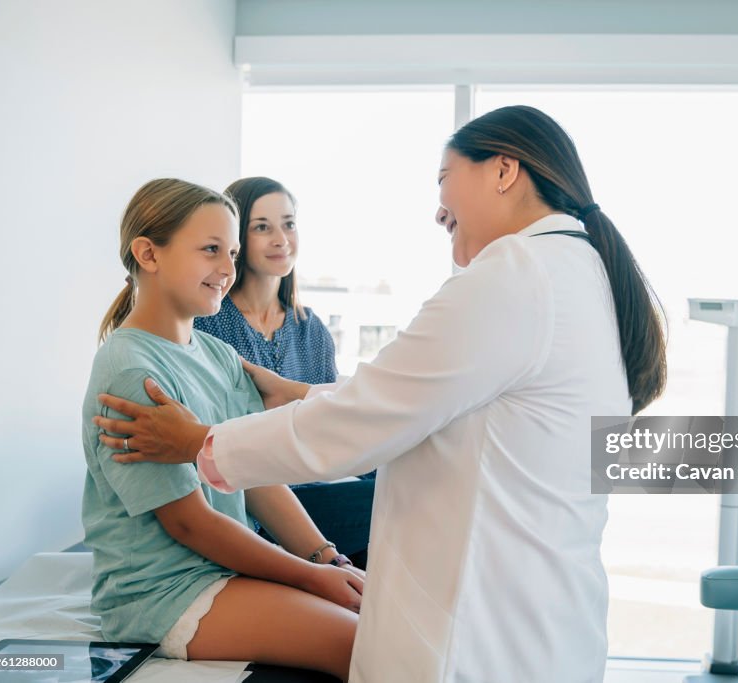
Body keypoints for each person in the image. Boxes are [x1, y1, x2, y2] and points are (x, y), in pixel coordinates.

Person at [94, 106, 667, 682]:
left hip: (497, 615)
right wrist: (314, 560)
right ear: (148, 254)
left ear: (503, 171)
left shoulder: (515, 276)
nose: (438, 210)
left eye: (444, 181)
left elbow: (372, 415)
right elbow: (405, 400)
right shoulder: (571, 270)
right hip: (535, 605)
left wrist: (205, 446)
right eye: (215, 247)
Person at [83, 178, 362, 680]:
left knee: (391, 623)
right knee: (364, 646)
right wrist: (313, 579)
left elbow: (250, 472)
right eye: (211, 250)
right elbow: (189, 523)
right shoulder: (131, 371)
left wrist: (327, 559)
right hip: (162, 592)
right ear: (148, 253)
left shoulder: (218, 355)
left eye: (232, 252)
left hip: (220, 571)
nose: (229, 269)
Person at [194, 176, 375, 566]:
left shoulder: (311, 329)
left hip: (322, 477)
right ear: (237, 238)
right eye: (262, 227)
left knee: (398, 472)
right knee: (395, 496)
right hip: (261, 494)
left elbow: (334, 426)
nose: (281, 238)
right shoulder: (209, 323)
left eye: (288, 224)